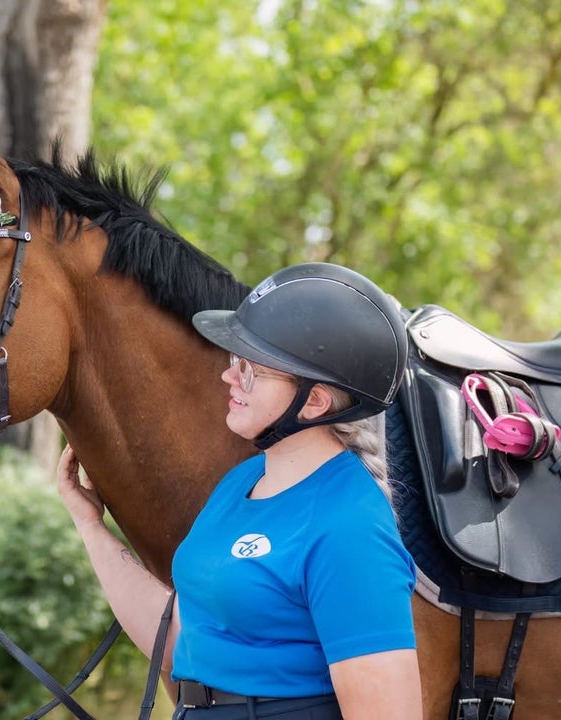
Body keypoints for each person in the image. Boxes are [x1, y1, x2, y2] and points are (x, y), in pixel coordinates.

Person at [57, 262, 422, 720]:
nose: (230, 378)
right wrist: (90, 525)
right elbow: (179, 643)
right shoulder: (241, 484)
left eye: (252, 370)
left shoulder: (350, 526)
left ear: (314, 401)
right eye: (235, 361)